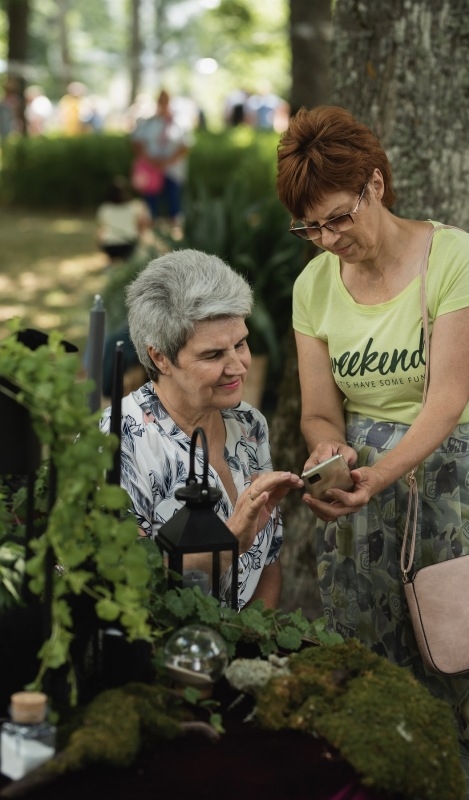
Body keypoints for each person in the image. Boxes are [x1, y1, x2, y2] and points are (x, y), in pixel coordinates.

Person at [276, 105, 469, 798]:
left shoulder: (455, 256)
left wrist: (380, 475)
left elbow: (447, 401)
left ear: (376, 185)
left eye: (337, 217)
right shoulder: (312, 288)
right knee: (384, 682)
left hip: (458, 492)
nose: (327, 239)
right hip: (366, 510)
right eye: (310, 228)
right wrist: (329, 449)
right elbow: (321, 407)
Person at [100, 249, 303, 610]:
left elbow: (268, 560)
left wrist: (253, 645)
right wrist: (229, 544)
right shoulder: (119, 442)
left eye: (240, 344)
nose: (239, 367)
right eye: (212, 355)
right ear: (159, 356)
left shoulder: (247, 422)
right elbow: (122, 588)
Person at [130, 89, 193, 233]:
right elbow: (137, 143)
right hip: (151, 169)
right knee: (151, 199)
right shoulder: (148, 122)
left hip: (173, 169)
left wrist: (168, 161)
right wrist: (151, 160)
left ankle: (175, 227)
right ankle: (152, 226)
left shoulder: (179, 122)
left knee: (173, 198)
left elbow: (185, 146)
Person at [95, 176, 151, 266]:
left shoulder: (105, 208)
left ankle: (111, 264)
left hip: (110, 245)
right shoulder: (135, 206)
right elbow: (142, 226)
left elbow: (102, 228)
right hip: (128, 243)